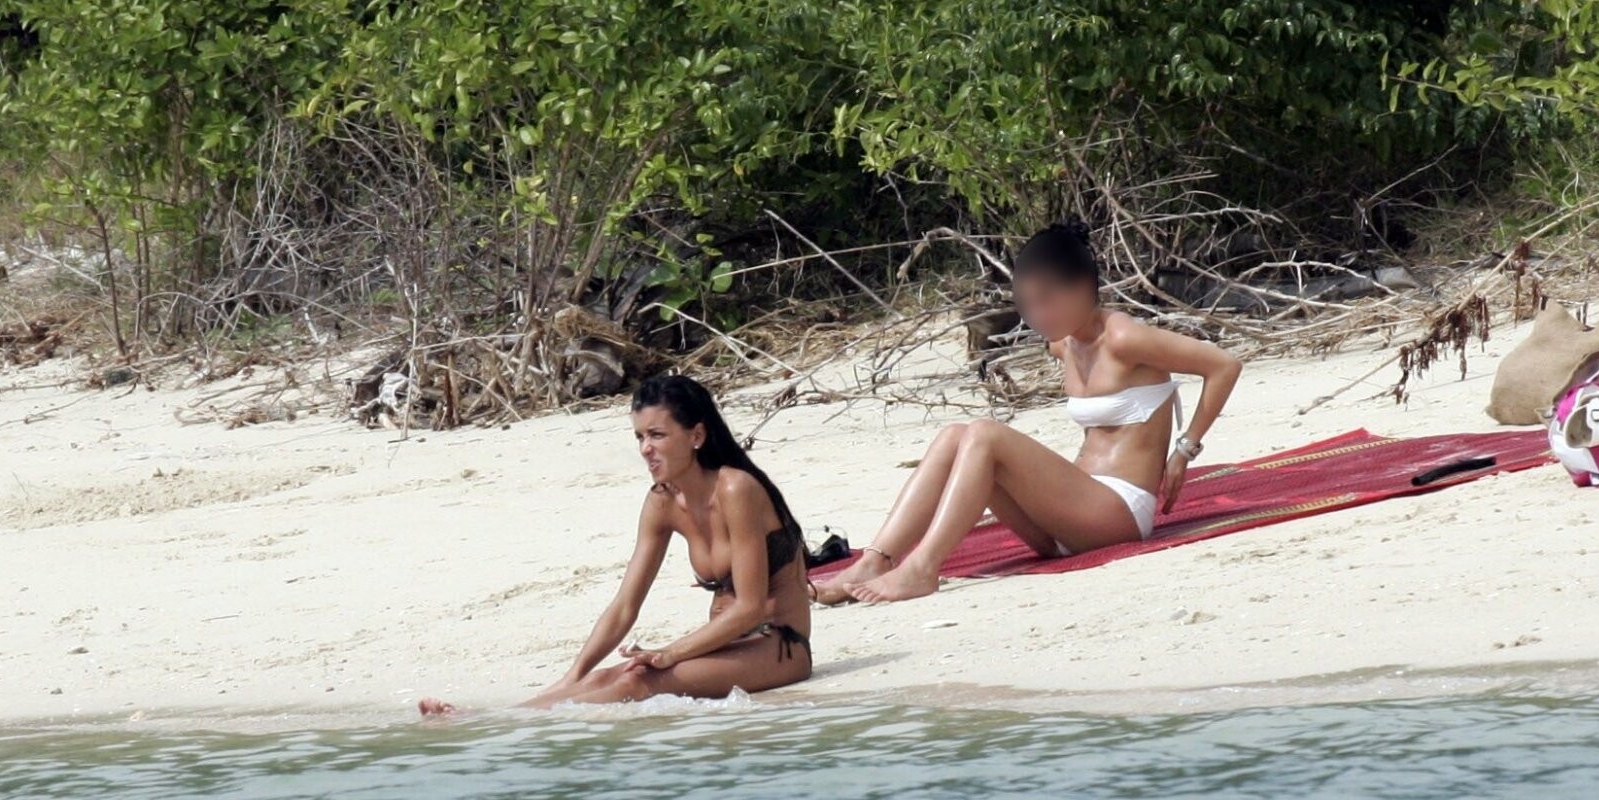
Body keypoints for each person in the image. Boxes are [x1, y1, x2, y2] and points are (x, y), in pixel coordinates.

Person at [814, 220, 1242, 605]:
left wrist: (1184, 449)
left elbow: (1224, 366)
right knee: (955, 435)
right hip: (1064, 522)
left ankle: (923, 568)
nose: (1036, 316)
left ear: (1082, 289)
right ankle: (875, 560)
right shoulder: (1064, 344)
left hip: (1119, 514)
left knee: (985, 434)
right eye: (1027, 304)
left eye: (1046, 302)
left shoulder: (1125, 337)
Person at [420, 375, 812, 713]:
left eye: (657, 435)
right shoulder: (662, 502)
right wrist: (573, 676)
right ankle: (498, 718)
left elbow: (749, 607)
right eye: (640, 436)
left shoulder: (736, 489)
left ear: (696, 435)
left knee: (636, 681)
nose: (645, 449)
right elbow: (624, 607)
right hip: (725, 645)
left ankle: (503, 725)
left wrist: (670, 653)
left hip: (780, 647)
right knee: (607, 677)